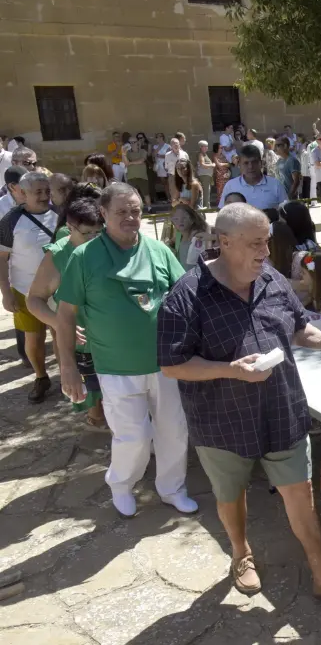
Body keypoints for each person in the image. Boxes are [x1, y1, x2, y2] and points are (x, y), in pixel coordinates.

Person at [158, 203, 321, 600]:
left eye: (266, 242)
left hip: (281, 408)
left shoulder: (272, 279)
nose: (265, 252)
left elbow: (301, 329)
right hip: (221, 419)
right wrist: (232, 370)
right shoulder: (186, 295)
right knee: (230, 495)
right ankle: (241, 553)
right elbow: (172, 365)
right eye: (254, 244)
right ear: (224, 242)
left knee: (300, 492)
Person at [57, 183, 197, 518]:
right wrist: (68, 367)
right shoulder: (83, 257)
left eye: (135, 210)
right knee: (133, 437)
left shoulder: (158, 250)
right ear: (103, 214)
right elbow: (64, 315)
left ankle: (172, 488)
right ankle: (121, 485)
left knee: (173, 431)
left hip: (167, 363)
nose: (130, 217)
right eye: (121, 211)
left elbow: (185, 296)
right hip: (116, 366)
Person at [27, 190, 106, 427]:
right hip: (84, 344)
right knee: (95, 403)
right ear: (70, 227)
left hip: (114, 340)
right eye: (87, 233)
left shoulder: (108, 244)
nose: (94, 238)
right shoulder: (59, 254)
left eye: (98, 232)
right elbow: (34, 300)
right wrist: (59, 324)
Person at [0, 171, 58, 402]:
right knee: (33, 338)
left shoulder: (61, 214)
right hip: (24, 290)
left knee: (60, 334)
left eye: (47, 191)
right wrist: (6, 293)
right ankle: (41, 377)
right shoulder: (9, 221)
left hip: (58, 290)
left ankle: (68, 378)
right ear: (23, 193)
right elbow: (1, 259)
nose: (44, 196)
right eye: (38, 192)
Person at [217, 145, 288, 222]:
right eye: (246, 163)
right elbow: (222, 215)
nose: (250, 167)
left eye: (254, 162)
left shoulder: (275, 185)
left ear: (261, 163)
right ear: (239, 164)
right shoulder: (231, 186)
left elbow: (286, 213)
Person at [166, 203, 213, 271]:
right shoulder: (179, 235)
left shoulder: (197, 235)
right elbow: (171, 242)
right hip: (183, 275)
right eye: (176, 219)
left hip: (196, 276)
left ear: (192, 219)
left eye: (184, 218)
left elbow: (205, 257)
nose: (180, 221)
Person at [124, 139, 151, 209]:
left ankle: (149, 209)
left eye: (134, 142)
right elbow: (125, 163)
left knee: (146, 194)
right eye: (130, 142)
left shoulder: (143, 151)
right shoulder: (127, 153)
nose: (132, 144)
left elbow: (141, 160)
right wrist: (123, 153)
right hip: (131, 177)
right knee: (131, 195)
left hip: (142, 177)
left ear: (138, 143)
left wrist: (130, 163)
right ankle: (135, 210)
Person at [163, 138, 189, 202]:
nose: (176, 145)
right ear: (171, 146)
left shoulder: (184, 154)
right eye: (173, 144)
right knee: (174, 196)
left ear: (179, 144)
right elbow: (166, 167)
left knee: (184, 194)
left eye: (177, 143)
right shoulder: (167, 155)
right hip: (173, 176)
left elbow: (189, 166)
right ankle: (176, 209)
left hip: (183, 177)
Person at [196, 140, 215, 208]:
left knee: (207, 192)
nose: (207, 147)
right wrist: (212, 165)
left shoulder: (205, 154)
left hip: (207, 176)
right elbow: (202, 164)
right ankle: (206, 207)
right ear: (201, 147)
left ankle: (206, 206)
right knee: (206, 192)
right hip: (204, 176)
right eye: (205, 146)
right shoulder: (200, 154)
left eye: (207, 146)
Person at [213, 142, 231, 208]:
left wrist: (223, 164)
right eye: (220, 148)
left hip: (226, 175)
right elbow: (219, 165)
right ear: (217, 148)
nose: (222, 149)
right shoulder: (215, 156)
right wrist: (225, 164)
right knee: (220, 191)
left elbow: (229, 164)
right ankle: (220, 206)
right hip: (219, 177)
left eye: (222, 148)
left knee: (226, 190)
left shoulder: (223, 155)